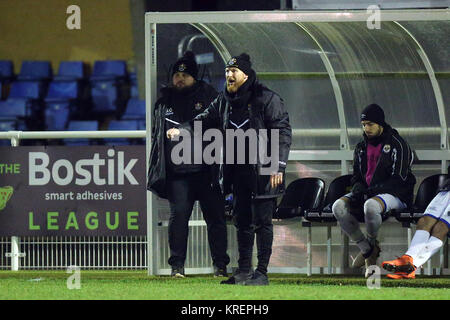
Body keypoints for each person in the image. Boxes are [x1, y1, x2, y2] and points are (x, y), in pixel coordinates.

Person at [167, 53, 292, 285]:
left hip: (265, 168)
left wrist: (279, 165)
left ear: (245, 74)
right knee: (242, 220)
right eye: (226, 71)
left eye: (233, 71)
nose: (228, 75)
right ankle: (244, 271)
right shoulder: (224, 100)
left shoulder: (266, 98)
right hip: (238, 171)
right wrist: (184, 129)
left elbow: (282, 131)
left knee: (263, 221)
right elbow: (204, 119)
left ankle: (262, 273)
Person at [147, 51, 230, 278]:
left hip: (206, 170)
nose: (179, 79)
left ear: (194, 77)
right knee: (179, 218)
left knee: (215, 218)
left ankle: (220, 266)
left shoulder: (210, 96)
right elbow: (157, 137)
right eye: (176, 75)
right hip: (178, 173)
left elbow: (216, 125)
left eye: (184, 75)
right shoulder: (164, 102)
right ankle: (177, 266)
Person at [332, 103, 416, 278]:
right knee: (337, 207)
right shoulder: (361, 147)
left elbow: (398, 179)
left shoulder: (398, 145)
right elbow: (356, 175)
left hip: (396, 195)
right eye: (364, 125)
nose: (366, 128)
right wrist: (358, 187)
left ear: (380, 124)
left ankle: (369, 249)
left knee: (371, 205)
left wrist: (371, 191)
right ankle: (367, 249)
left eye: (370, 124)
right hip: (369, 192)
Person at [382, 171, 449, 279]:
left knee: (441, 227)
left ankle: (411, 266)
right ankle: (407, 260)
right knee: (424, 221)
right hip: (447, 189)